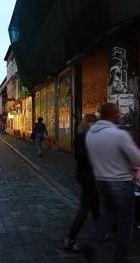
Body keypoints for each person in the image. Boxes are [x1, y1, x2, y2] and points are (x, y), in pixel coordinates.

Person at [86, 103, 140, 263]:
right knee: (125, 222)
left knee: (108, 215)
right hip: (121, 182)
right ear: (113, 115)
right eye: (118, 113)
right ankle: (121, 256)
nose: (120, 115)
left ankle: (90, 242)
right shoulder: (118, 135)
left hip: (102, 181)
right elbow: (136, 158)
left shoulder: (91, 134)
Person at [64, 114, 99, 251]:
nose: (93, 125)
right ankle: (71, 238)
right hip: (87, 175)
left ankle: (102, 231)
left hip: (85, 174)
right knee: (86, 207)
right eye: (92, 123)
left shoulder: (83, 136)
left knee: (95, 204)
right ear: (88, 123)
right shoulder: (84, 137)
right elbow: (80, 155)